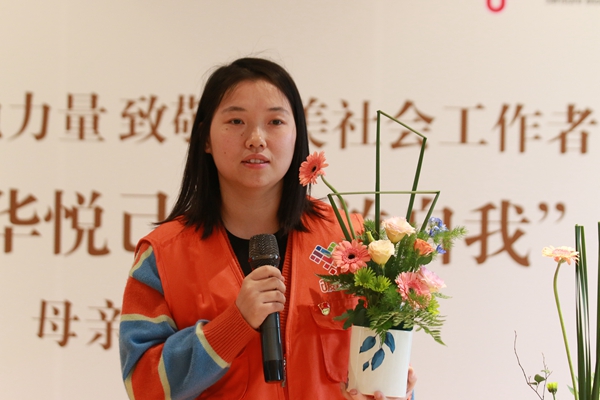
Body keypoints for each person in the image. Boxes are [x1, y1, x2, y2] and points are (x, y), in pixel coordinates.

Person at [119, 57, 417, 400]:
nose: (256, 139)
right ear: (205, 139)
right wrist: (235, 323)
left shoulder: (351, 241)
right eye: (236, 121)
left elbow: (378, 366)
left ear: (297, 136)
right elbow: (143, 385)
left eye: (275, 121)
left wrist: (393, 392)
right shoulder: (163, 254)